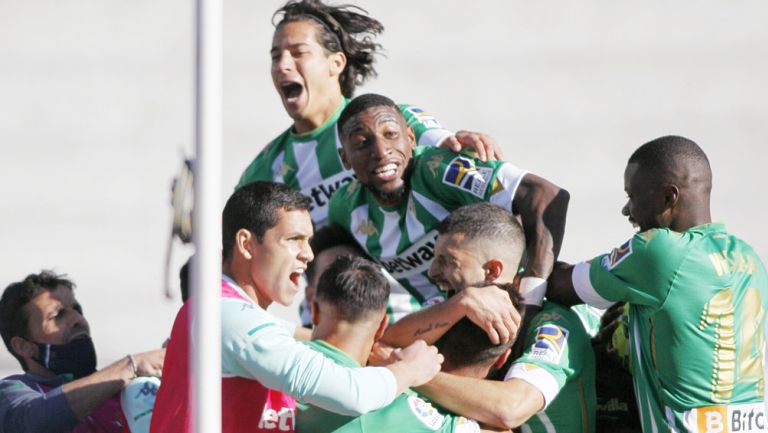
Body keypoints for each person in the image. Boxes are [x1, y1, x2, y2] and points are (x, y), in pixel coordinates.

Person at [150, 181, 443, 433]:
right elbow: (353, 395)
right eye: (294, 240)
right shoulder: (227, 315)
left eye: (309, 241)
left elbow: (286, 331)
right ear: (246, 244)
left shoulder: (224, 309)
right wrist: (411, 369)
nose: (308, 254)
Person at [546, 135, 768, 432]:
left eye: (632, 196)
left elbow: (559, 285)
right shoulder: (749, 258)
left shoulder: (658, 251)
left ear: (668, 197)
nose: (627, 210)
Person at [327, 93, 570, 345]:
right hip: (448, 331)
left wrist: (530, 300)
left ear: (410, 138)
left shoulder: (436, 169)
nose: (381, 151)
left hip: (512, 319)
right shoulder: (344, 207)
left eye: (391, 135)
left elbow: (543, 195)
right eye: (361, 143)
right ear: (345, 158)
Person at [237, 0, 501, 229]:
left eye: (298, 53)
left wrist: (463, 144)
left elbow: (447, 144)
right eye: (275, 57)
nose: (282, 65)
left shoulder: (394, 122)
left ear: (336, 63)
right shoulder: (263, 171)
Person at [408, 203, 596, 432]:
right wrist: (462, 300)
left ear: (492, 271)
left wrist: (412, 373)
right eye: (435, 258)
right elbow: (381, 346)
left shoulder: (552, 323)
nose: (432, 271)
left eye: (447, 261)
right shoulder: (455, 305)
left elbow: (510, 410)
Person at [296, 254, 522, 433]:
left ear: (314, 311)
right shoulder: (406, 410)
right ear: (383, 324)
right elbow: (507, 414)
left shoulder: (273, 359)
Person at [0, 271, 165, 433]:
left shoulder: (131, 390)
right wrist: (130, 366)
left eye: (77, 309)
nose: (78, 320)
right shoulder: (11, 393)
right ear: (23, 346)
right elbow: (32, 422)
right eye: (58, 315)